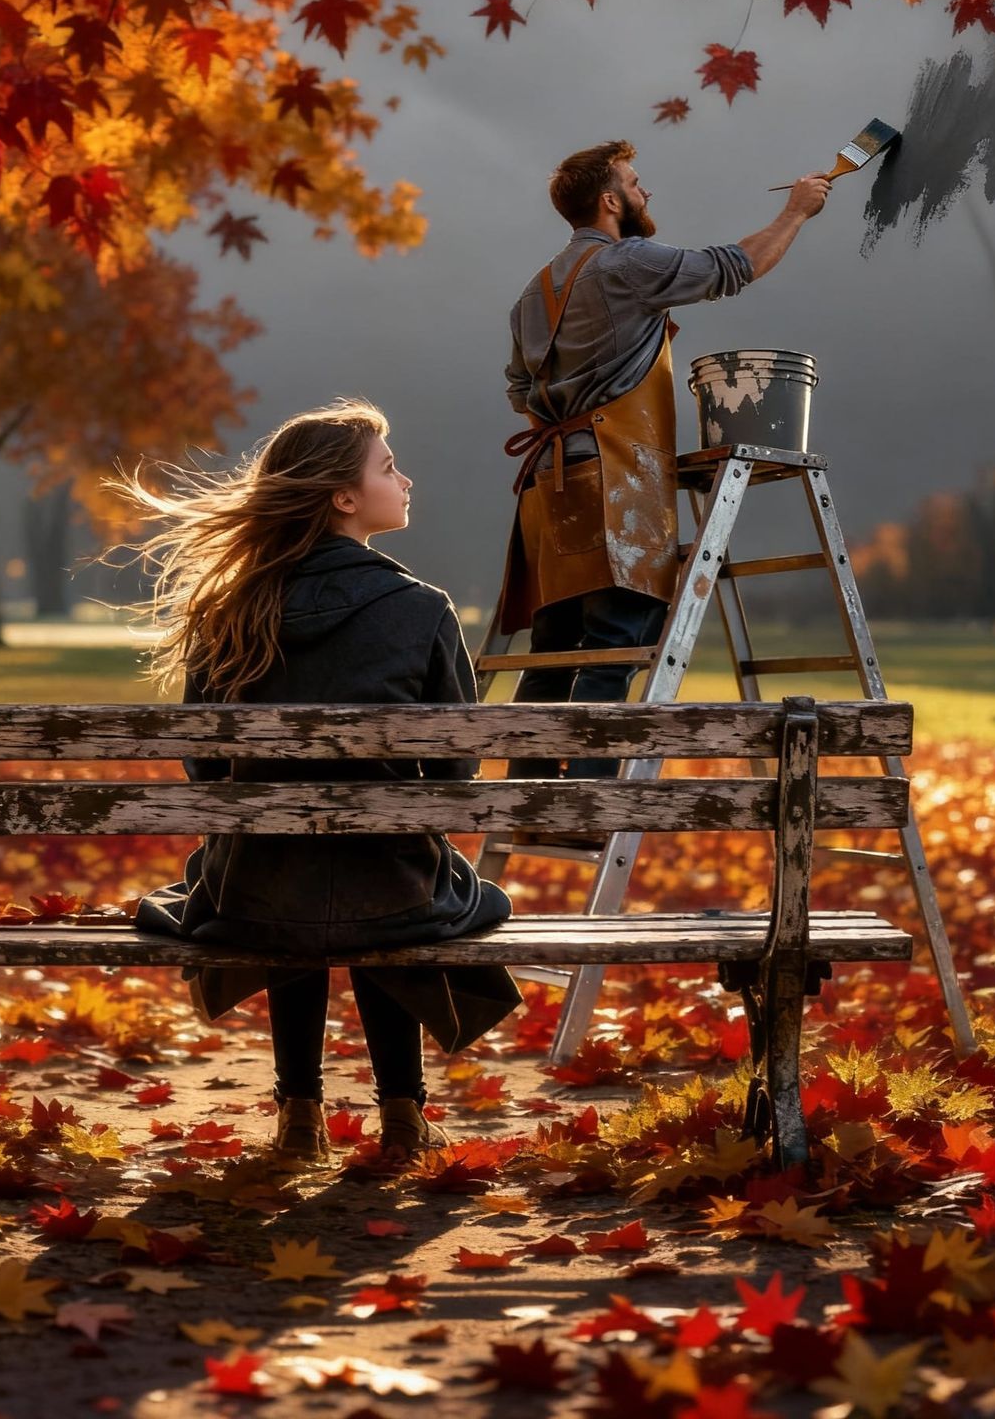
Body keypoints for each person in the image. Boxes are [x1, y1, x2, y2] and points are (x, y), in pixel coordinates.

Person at [116, 399, 522, 1166]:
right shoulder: (422, 608)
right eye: (387, 467)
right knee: (387, 877)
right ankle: (402, 1115)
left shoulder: (230, 610)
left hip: (258, 893)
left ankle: (299, 1116)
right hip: (394, 891)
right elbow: (456, 773)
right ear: (343, 497)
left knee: (285, 873)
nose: (405, 479)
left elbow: (206, 767)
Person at [497, 140, 834, 779]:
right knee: (616, 644)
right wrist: (796, 213)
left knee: (554, 650)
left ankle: (526, 795)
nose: (644, 192)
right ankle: (589, 806)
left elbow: (519, 392)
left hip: (551, 485)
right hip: (615, 480)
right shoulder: (625, 262)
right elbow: (734, 267)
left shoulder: (530, 295)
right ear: (609, 200)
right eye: (634, 182)